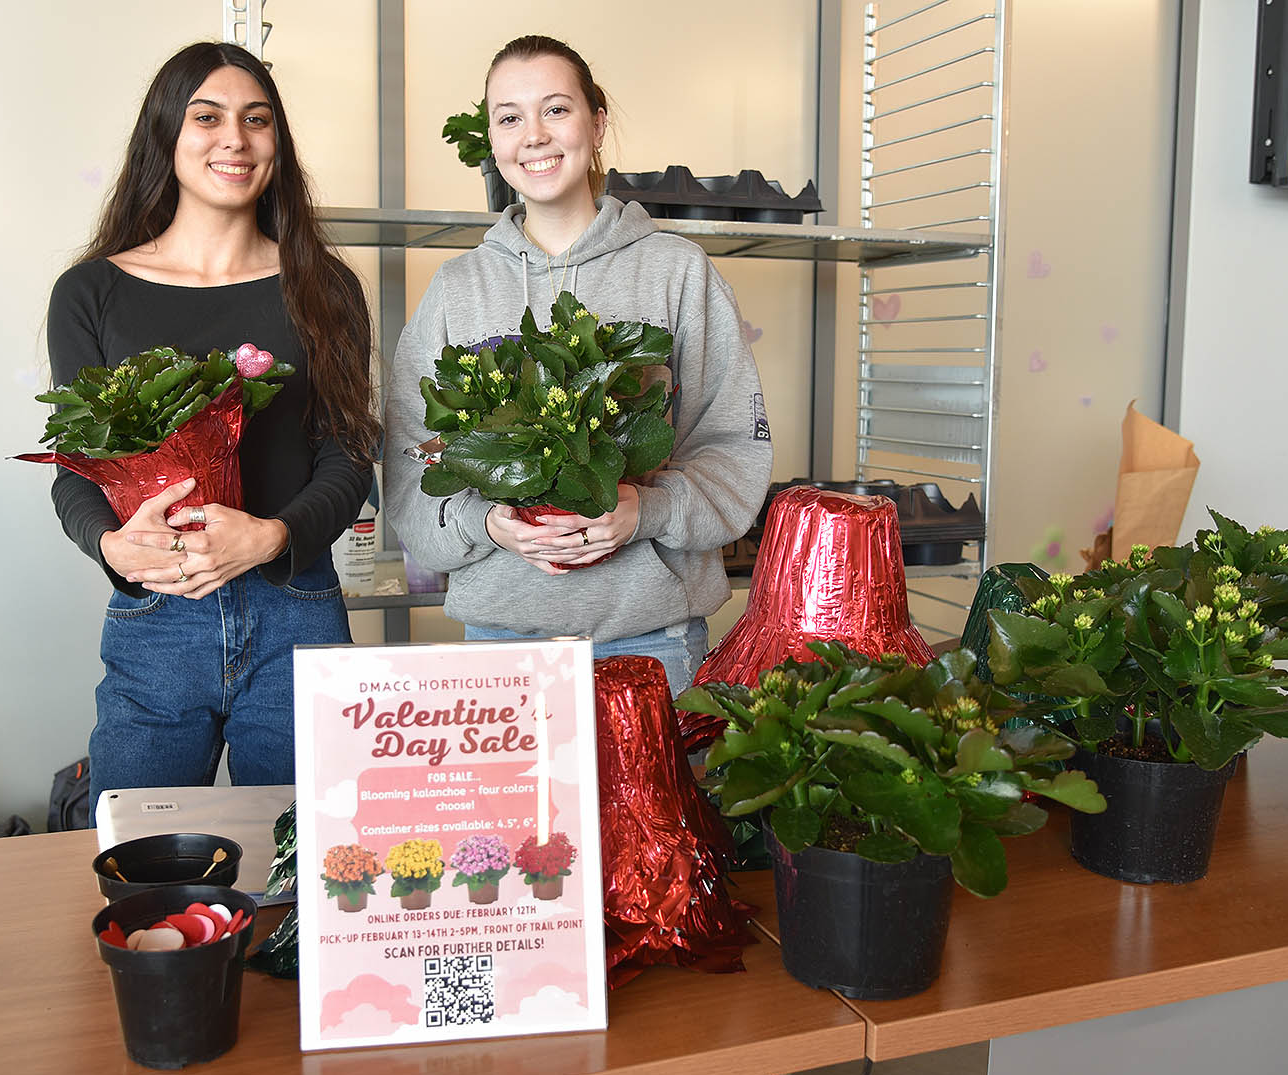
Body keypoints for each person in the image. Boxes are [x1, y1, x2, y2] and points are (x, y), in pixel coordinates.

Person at [45, 42, 379, 820]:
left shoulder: (323, 288)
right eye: (208, 117)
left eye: (257, 120)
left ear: (277, 144)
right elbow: (75, 471)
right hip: (156, 618)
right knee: (139, 876)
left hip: (296, 608)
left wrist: (269, 536)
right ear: (166, 133)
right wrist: (110, 545)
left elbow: (348, 456)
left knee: (319, 873)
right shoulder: (90, 292)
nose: (235, 138)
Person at [384, 35, 772, 696]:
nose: (533, 135)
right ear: (494, 139)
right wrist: (488, 522)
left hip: (655, 645)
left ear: (597, 124)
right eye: (510, 117)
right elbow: (408, 460)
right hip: (499, 644)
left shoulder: (677, 273)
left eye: (556, 110)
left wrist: (640, 510)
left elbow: (732, 450)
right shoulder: (458, 287)